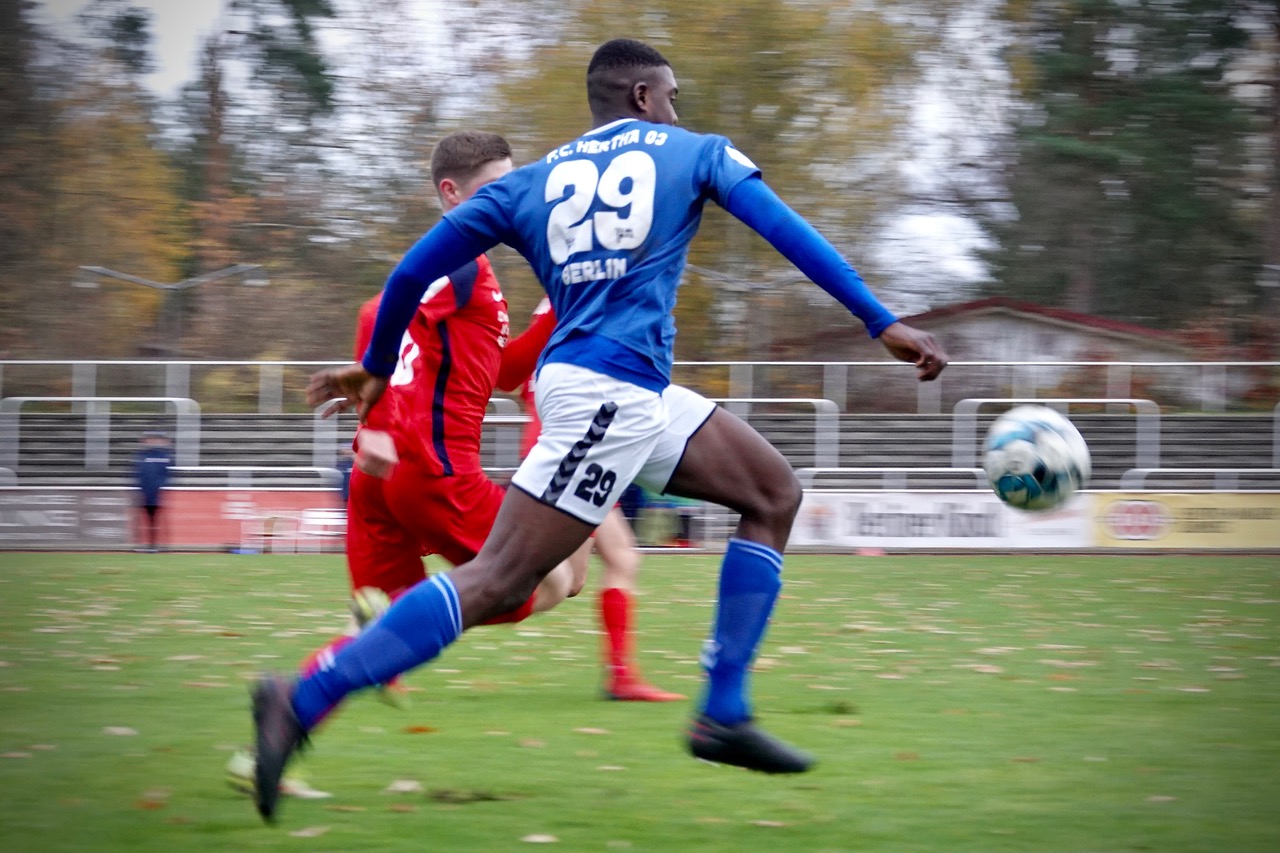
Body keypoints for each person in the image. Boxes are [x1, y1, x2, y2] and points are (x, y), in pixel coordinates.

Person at [254, 38, 946, 822]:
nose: (677, 108)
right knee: (497, 582)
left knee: (772, 491)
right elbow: (789, 234)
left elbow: (409, 272)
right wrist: (879, 321)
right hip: (605, 396)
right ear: (646, 97)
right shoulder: (698, 153)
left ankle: (723, 712)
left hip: (628, 391)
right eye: (672, 94)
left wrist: (375, 366)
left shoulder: (528, 183)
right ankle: (301, 697)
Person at [518, 297, 683, 703]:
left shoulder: (571, 302)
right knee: (603, 566)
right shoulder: (586, 297)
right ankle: (417, 623)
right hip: (572, 452)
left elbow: (519, 379)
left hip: (584, 450)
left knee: (570, 582)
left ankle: (621, 677)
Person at [133, 430, 172, 553]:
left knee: (154, 521)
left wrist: (159, 487)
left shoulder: (164, 456)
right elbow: (137, 474)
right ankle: (143, 544)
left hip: (157, 494)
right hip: (144, 493)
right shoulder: (141, 456)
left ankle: (155, 545)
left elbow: (167, 475)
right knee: (142, 520)